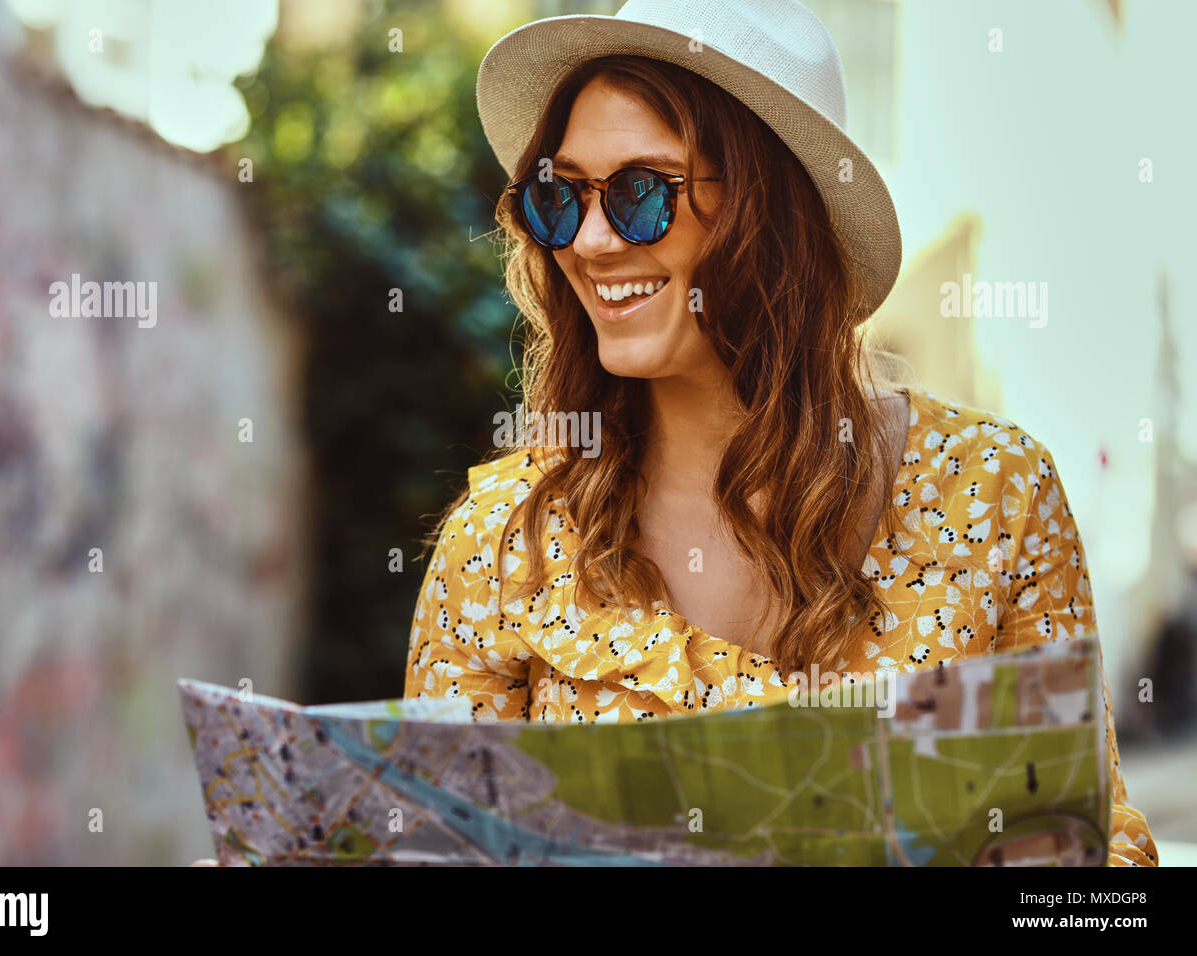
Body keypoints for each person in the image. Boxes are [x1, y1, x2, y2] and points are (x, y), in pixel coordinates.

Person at [402, 0, 1157, 865]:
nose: (593, 240)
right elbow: (437, 847)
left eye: (644, 191)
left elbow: (1093, 875)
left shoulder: (996, 493)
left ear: (774, 213)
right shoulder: (503, 539)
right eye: (560, 196)